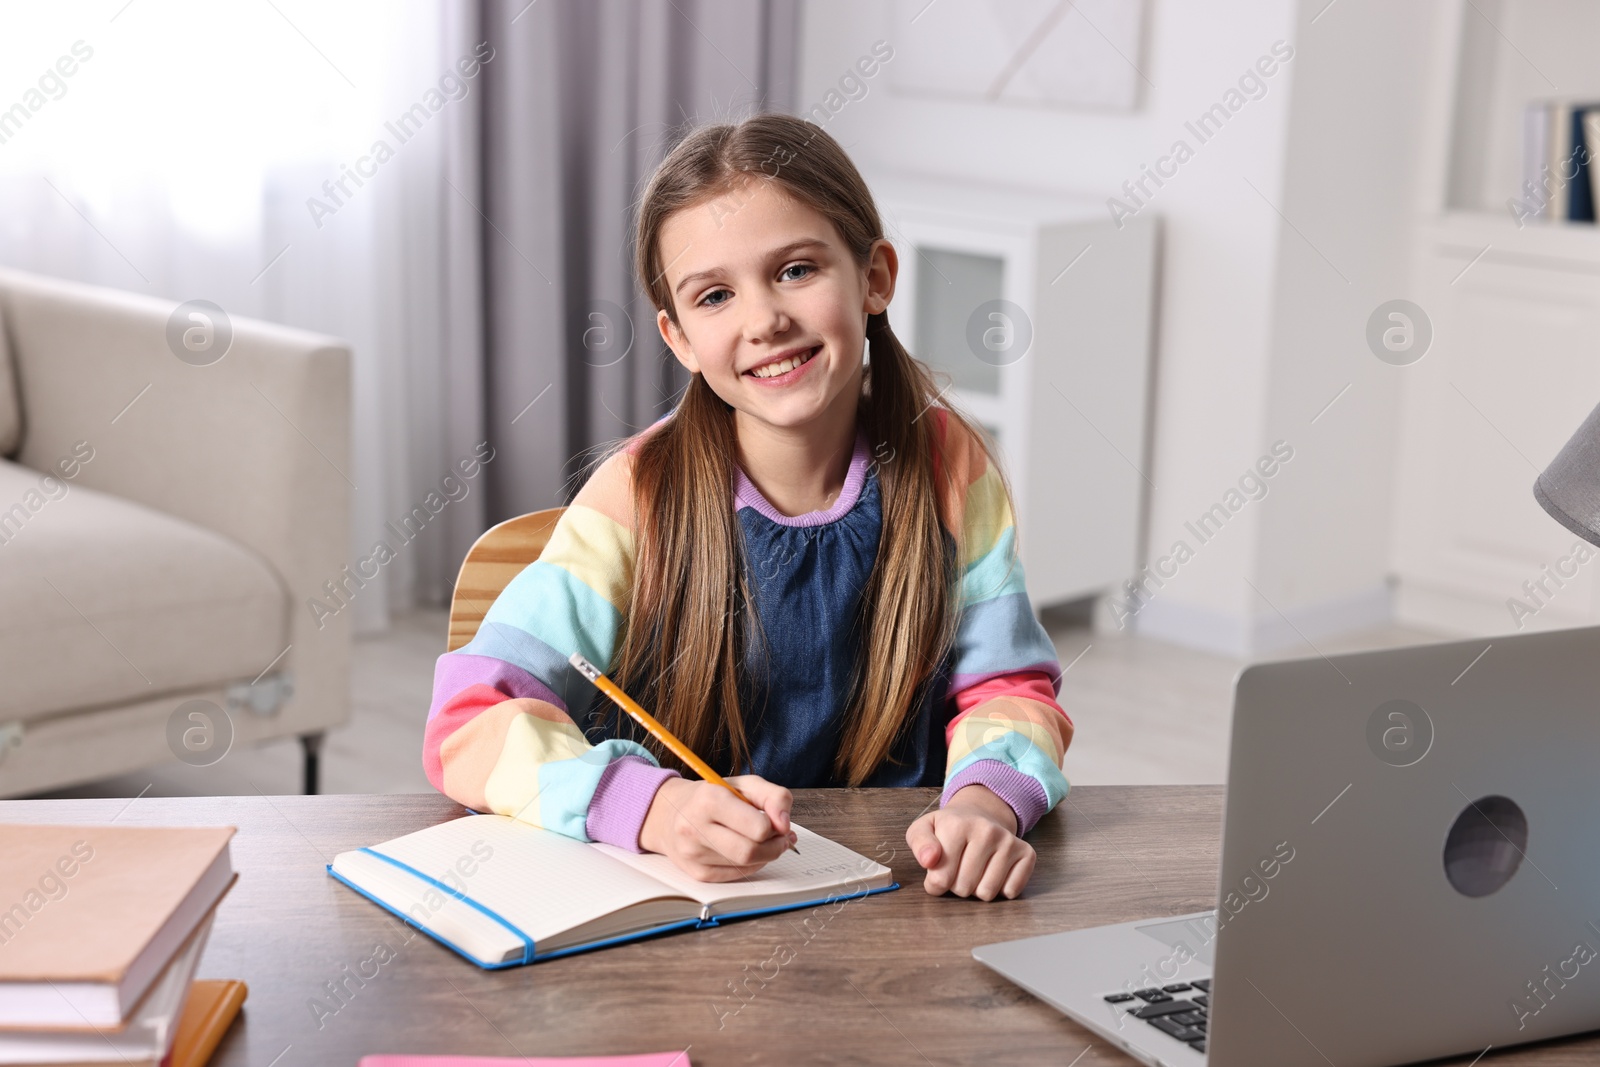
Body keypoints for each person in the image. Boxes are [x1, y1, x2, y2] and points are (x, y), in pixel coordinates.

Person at [424, 112, 1073, 901]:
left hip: (902, 898)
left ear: (874, 277)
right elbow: (469, 716)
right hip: (676, 901)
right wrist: (654, 806)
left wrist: (983, 803)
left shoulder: (947, 463)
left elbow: (1007, 685)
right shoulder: (637, 495)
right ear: (680, 338)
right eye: (717, 295)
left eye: (796, 270)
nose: (764, 320)